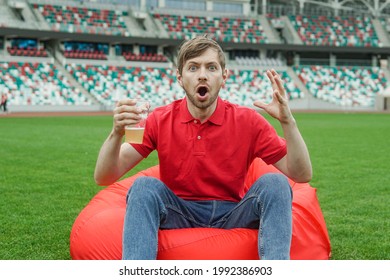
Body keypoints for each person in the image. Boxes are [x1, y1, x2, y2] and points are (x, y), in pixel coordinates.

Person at [94, 35, 312, 260]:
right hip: (178, 210)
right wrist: (116, 133)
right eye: (193, 67)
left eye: (211, 67)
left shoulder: (248, 121)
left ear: (223, 76)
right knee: (143, 187)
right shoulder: (160, 119)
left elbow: (302, 174)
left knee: (275, 183)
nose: (202, 75)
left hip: (233, 212)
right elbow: (104, 177)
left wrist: (288, 122)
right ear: (180, 78)